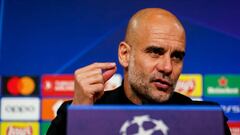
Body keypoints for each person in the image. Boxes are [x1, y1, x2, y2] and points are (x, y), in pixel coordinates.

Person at [47, 8, 231, 135]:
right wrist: (81, 117)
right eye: (155, 52)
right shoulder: (78, 113)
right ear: (125, 54)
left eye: (177, 56)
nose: (167, 67)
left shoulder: (205, 122)